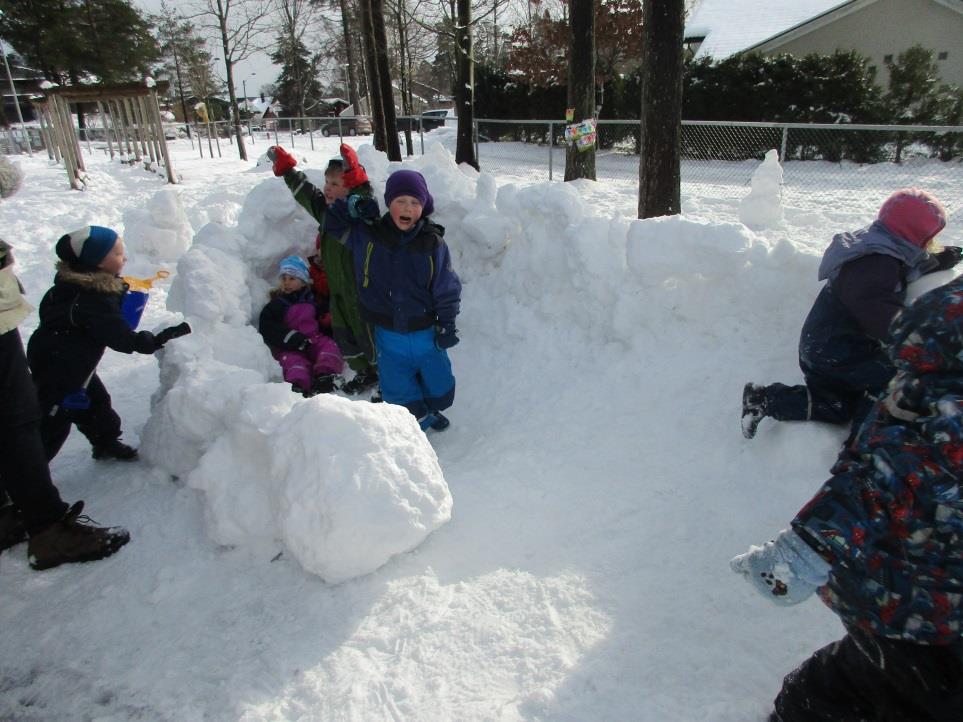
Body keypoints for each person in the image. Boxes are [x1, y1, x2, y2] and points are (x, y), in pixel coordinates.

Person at [730, 274, 963, 721]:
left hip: (917, 600)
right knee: (908, 686)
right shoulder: (927, 419)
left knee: (869, 675)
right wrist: (793, 560)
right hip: (908, 603)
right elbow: (861, 488)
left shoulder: (917, 400)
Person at [742, 188, 961, 439]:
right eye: (928, 238)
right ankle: (863, 440)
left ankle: (764, 399)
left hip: (823, 346)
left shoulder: (884, 245)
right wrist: (914, 336)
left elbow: (910, 264)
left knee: (836, 405)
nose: (930, 244)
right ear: (913, 234)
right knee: (892, 379)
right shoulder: (875, 264)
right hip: (841, 351)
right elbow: (875, 307)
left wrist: (945, 257)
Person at [270, 144, 461, 431]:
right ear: (389, 203)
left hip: (415, 323)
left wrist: (446, 322)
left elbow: (445, 286)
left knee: (433, 377)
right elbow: (330, 217)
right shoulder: (368, 232)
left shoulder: (427, 244)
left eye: (414, 202)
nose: (407, 208)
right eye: (400, 202)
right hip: (371, 313)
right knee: (361, 348)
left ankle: (423, 401)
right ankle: (408, 408)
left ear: (424, 207)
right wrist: (291, 173)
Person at [0, 238, 131, 570]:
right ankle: (46, 529)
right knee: (21, 420)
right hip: (55, 366)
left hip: (55, 359)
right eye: (115, 252)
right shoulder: (84, 300)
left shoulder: (68, 291)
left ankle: (8, 513)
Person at [27, 226, 191, 462]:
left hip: (69, 361)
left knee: (95, 403)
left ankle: (105, 442)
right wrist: (153, 341)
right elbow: (119, 335)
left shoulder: (73, 286)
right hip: (59, 368)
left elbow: (95, 318)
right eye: (116, 254)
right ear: (97, 262)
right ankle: (24, 479)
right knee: (52, 423)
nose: (123, 258)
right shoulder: (89, 298)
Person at [278, 152, 380, 397]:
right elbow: (308, 196)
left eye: (336, 183)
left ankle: (386, 375)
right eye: (327, 182)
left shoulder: (359, 214)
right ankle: (364, 370)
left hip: (361, 292)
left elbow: (367, 205)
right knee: (345, 336)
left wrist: (359, 184)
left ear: (351, 185)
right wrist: (288, 172)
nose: (328, 188)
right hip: (338, 292)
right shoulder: (326, 214)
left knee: (368, 335)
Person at [258, 255, 344, 396]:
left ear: (303, 282)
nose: (286, 282)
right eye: (283, 278)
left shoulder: (313, 300)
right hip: (290, 346)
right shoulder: (277, 304)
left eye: (292, 279)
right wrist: (292, 338)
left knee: (330, 347)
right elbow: (268, 326)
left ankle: (325, 375)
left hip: (314, 339)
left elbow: (323, 317)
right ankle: (298, 386)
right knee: (294, 362)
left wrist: (326, 321)